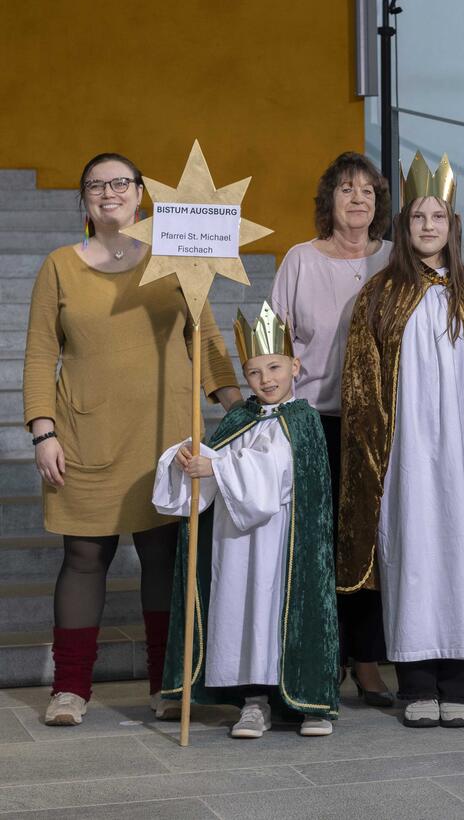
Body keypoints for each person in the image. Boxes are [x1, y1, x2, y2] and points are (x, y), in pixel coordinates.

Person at [23, 152, 241, 726]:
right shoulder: (59, 266)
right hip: (83, 433)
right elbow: (41, 352)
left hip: (166, 438)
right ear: (84, 198)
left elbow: (205, 338)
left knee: (163, 557)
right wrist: (42, 430)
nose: (109, 192)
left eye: (120, 182)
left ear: (141, 193)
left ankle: (167, 686)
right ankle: (70, 689)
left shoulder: (176, 259)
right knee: (83, 557)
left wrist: (239, 409)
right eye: (95, 184)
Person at [338, 153, 464, 728]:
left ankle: (462, 683)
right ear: (403, 225)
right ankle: (417, 682)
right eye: (417, 216)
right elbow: (362, 388)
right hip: (406, 453)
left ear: (452, 225)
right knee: (413, 554)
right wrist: (376, 455)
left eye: (437, 216)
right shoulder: (379, 295)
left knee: (462, 553)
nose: (427, 225)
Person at [154, 301, 338, 738]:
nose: (266, 380)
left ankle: (309, 702)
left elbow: (276, 470)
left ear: (295, 366)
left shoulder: (305, 420)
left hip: (284, 542)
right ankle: (254, 704)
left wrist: (216, 467)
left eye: (274, 367)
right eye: (254, 372)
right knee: (244, 617)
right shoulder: (240, 417)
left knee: (281, 615)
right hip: (236, 542)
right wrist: (187, 458)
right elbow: (215, 462)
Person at [270, 151, 394, 705]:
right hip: (312, 422)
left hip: (380, 425)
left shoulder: (395, 259)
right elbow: (273, 340)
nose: (357, 198)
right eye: (346, 189)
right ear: (330, 200)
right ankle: (320, 656)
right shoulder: (300, 259)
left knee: (368, 543)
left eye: (367, 190)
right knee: (317, 544)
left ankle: (367, 660)